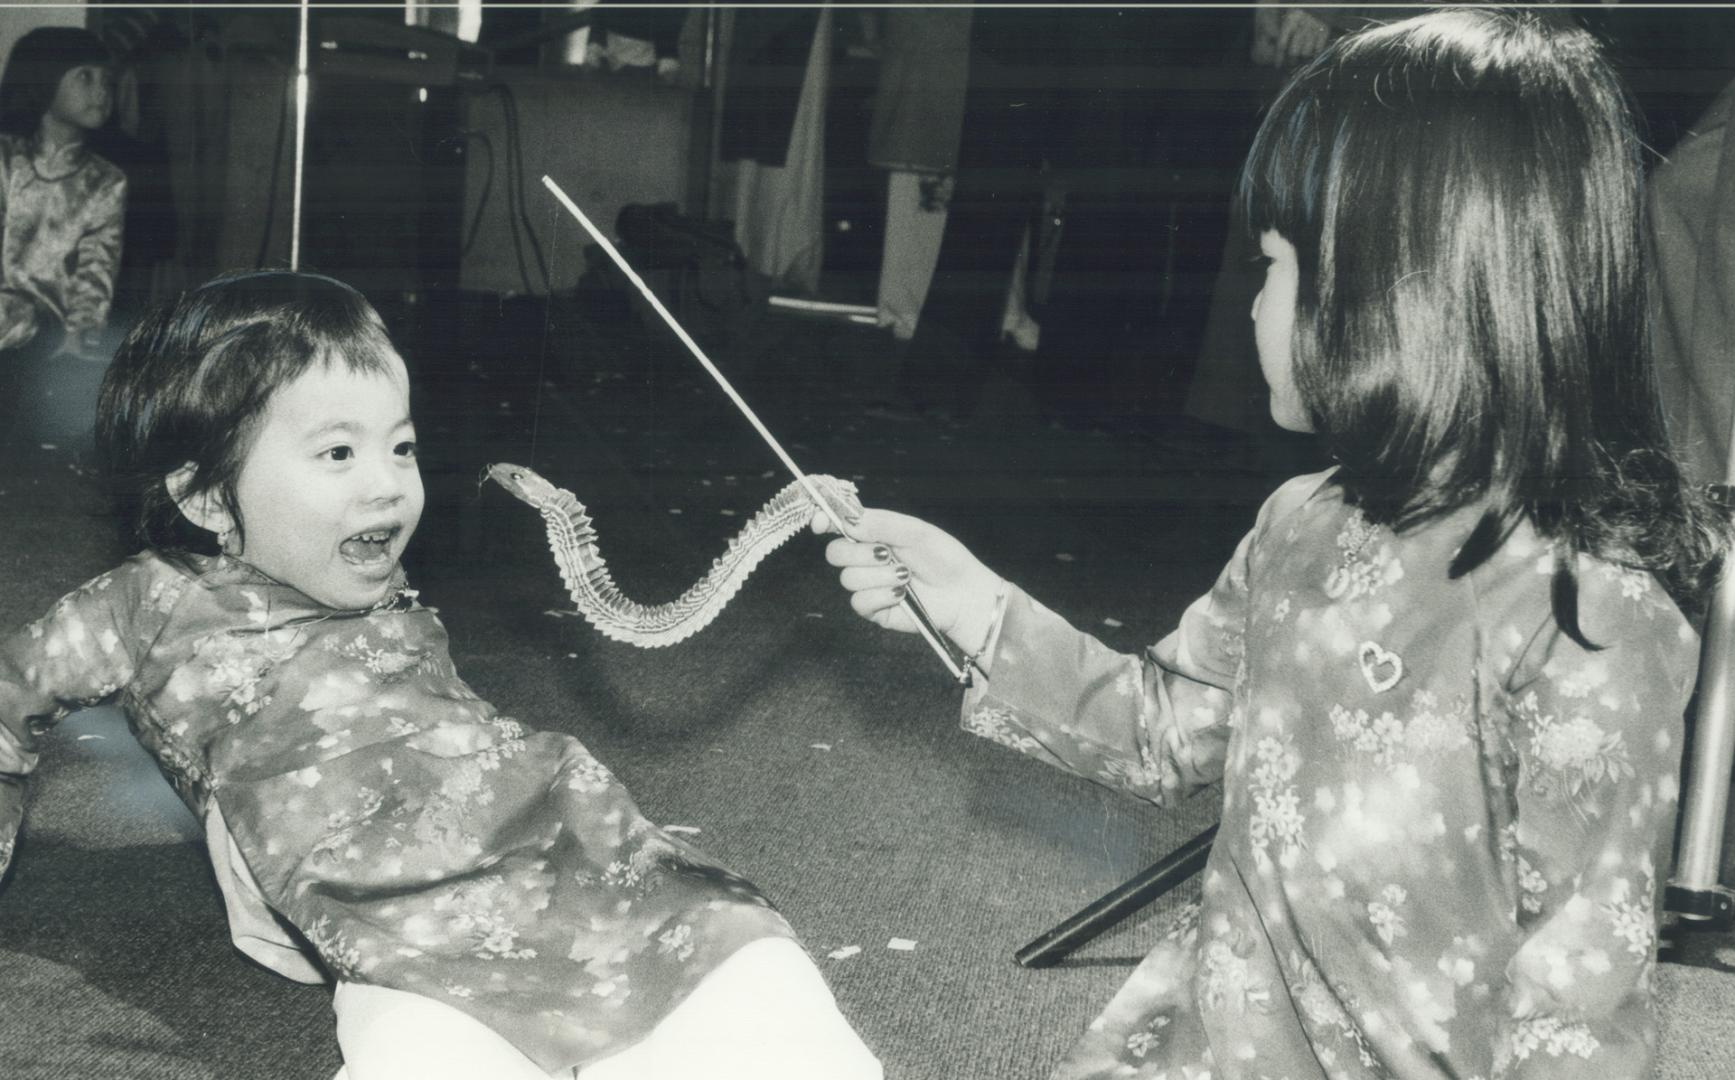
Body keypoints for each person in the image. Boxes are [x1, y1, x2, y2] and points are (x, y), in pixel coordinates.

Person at [820, 9, 1721, 1078]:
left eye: (1275, 264)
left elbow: (1583, 1004)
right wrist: (976, 606)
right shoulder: (1301, 524)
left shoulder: (1592, 620)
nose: (1252, 305)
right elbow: (1161, 727)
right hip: (1225, 1036)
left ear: (1397, 287)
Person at [0, 271, 882, 1080]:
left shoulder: (390, 593)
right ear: (203, 498)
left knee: (745, 970)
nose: (389, 485)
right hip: (397, 928)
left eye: (403, 447)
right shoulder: (146, 604)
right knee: (436, 1052)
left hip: (566, 845)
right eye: (338, 454)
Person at [0, 26, 127, 455]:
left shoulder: (106, 181)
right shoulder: (5, 161)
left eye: (107, 81)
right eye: (85, 77)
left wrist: (81, 338)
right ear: (44, 81)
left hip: (46, 334)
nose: (101, 91)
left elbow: (97, 269)